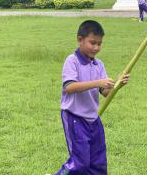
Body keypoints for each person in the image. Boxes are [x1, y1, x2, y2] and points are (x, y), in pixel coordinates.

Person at [53, 20, 130, 175]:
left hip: (93, 119)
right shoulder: (72, 61)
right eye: (92, 43)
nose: (96, 47)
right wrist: (97, 82)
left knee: (98, 162)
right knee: (80, 163)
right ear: (80, 40)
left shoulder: (98, 65)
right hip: (74, 118)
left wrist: (118, 85)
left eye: (99, 44)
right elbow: (69, 87)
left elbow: (105, 92)